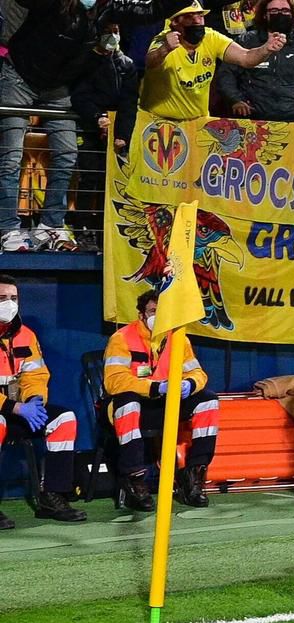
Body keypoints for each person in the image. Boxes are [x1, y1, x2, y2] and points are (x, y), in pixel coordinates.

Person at [102, 290, 219, 511]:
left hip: (165, 404)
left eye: (162, 311)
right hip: (130, 404)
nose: (158, 315)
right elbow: (114, 381)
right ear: (141, 314)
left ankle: (194, 477)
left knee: (208, 401)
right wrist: (155, 387)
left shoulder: (179, 338)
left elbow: (198, 373)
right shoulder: (122, 338)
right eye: (153, 311)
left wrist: (190, 384)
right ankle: (133, 480)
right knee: (128, 402)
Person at [0, 0, 92, 252]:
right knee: (11, 156)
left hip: (56, 86)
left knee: (67, 153)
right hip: (18, 76)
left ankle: (50, 225)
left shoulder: (95, 17)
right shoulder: (47, 6)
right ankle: (8, 229)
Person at [0, 274, 85, 528]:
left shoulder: (26, 334)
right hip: (7, 409)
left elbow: (36, 374)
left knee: (64, 419)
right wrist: (14, 407)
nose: (9, 303)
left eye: (13, 298)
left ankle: (53, 496)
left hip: (20, 407)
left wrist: (35, 401)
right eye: (2, 298)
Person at [139, 0, 286, 122]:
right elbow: (150, 62)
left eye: (200, 16)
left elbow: (246, 58)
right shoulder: (164, 40)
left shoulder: (211, 37)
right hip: (158, 122)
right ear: (175, 22)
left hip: (196, 123)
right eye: (190, 16)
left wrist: (266, 49)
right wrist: (165, 49)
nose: (197, 21)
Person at [70, 14, 139, 245]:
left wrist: (122, 135)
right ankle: (81, 228)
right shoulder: (85, 61)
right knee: (90, 178)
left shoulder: (126, 65)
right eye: (108, 30)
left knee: (110, 181)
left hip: (114, 132)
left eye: (116, 29)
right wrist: (96, 117)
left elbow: (129, 103)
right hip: (90, 128)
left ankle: (102, 230)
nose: (112, 35)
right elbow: (79, 96)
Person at [216, 0, 294, 138]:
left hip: (292, 122)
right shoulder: (245, 41)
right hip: (251, 122)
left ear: (292, 14)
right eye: (274, 11)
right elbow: (226, 75)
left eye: (285, 11)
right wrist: (235, 99)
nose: (280, 14)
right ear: (264, 14)